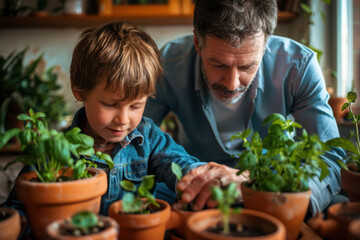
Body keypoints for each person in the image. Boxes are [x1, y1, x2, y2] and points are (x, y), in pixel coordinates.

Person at [144, 0, 346, 215]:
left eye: (247, 66)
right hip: (195, 186)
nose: (232, 84)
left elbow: (330, 159)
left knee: (338, 206)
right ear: (197, 43)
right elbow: (135, 133)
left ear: (266, 45)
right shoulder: (168, 63)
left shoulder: (299, 66)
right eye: (218, 64)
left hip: (268, 190)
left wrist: (252, 182)